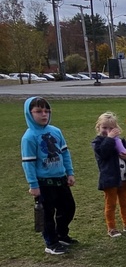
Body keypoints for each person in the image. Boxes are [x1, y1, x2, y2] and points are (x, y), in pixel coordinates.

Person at [21, 96, 77, 255]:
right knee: (47, 215)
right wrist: (33, 185)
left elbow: (64, 153)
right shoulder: (29, 137)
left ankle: (61, 234)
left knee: (68, 208)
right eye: (38, 111)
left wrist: (69, 173)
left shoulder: (56, 131)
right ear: (29, 113)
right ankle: (51, 243)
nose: (44, 114)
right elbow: (28, 163)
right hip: (44, 183)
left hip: (61, 179)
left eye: (46, 111)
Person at [92, 111, 126, 237]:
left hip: (124, 177)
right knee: (111, 204)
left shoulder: (121, 141)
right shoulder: (98, 142)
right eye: (105, 128)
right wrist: (109, 138)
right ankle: (111, 228)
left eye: (111, 128)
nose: (108, 131)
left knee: (125, 202)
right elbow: (103, 153)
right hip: (110, 179)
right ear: (98, 127)